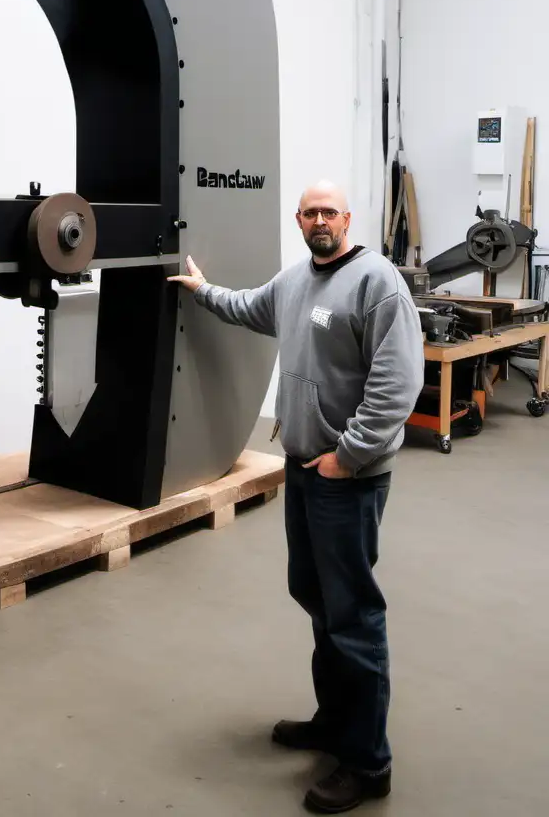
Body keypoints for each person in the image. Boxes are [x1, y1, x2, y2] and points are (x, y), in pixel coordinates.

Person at [168, 181, 423, 814]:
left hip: (346, 477)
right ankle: (334, 722)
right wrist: (202, 291)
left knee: (353, 613)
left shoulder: (377, 283)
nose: (318, 221)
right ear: (299, 220)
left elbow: (398, 384)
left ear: (347, 218)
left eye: (328, 212)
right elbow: (250, 307)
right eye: (308, 213)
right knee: (315, 597)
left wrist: (351, 454)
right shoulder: (295, 280)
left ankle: (368, 763)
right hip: (303, 470)